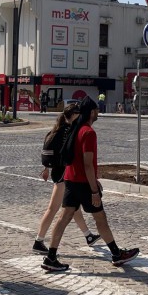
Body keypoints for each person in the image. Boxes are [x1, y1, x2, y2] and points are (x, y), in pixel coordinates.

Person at [41, 96, 139, 272]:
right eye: (97, 110)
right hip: (83, 183)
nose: (98, 112)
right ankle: (117, 254)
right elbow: (87, 164)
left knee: (63, 218)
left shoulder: (75, 129)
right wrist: (94, 190)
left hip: (70, 179)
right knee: (100, 218)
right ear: (92, 112)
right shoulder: (88, 132)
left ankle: (51, 256)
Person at [33, 104, 100, 254]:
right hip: (64, 174)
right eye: (78, 113)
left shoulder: (57, 129)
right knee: (53, 208)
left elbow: (51, 151)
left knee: (73, 207)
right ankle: (38, 241)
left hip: (59, 172)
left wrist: (46, 168)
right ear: (74, 115)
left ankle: (88, 236)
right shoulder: (69, 131)